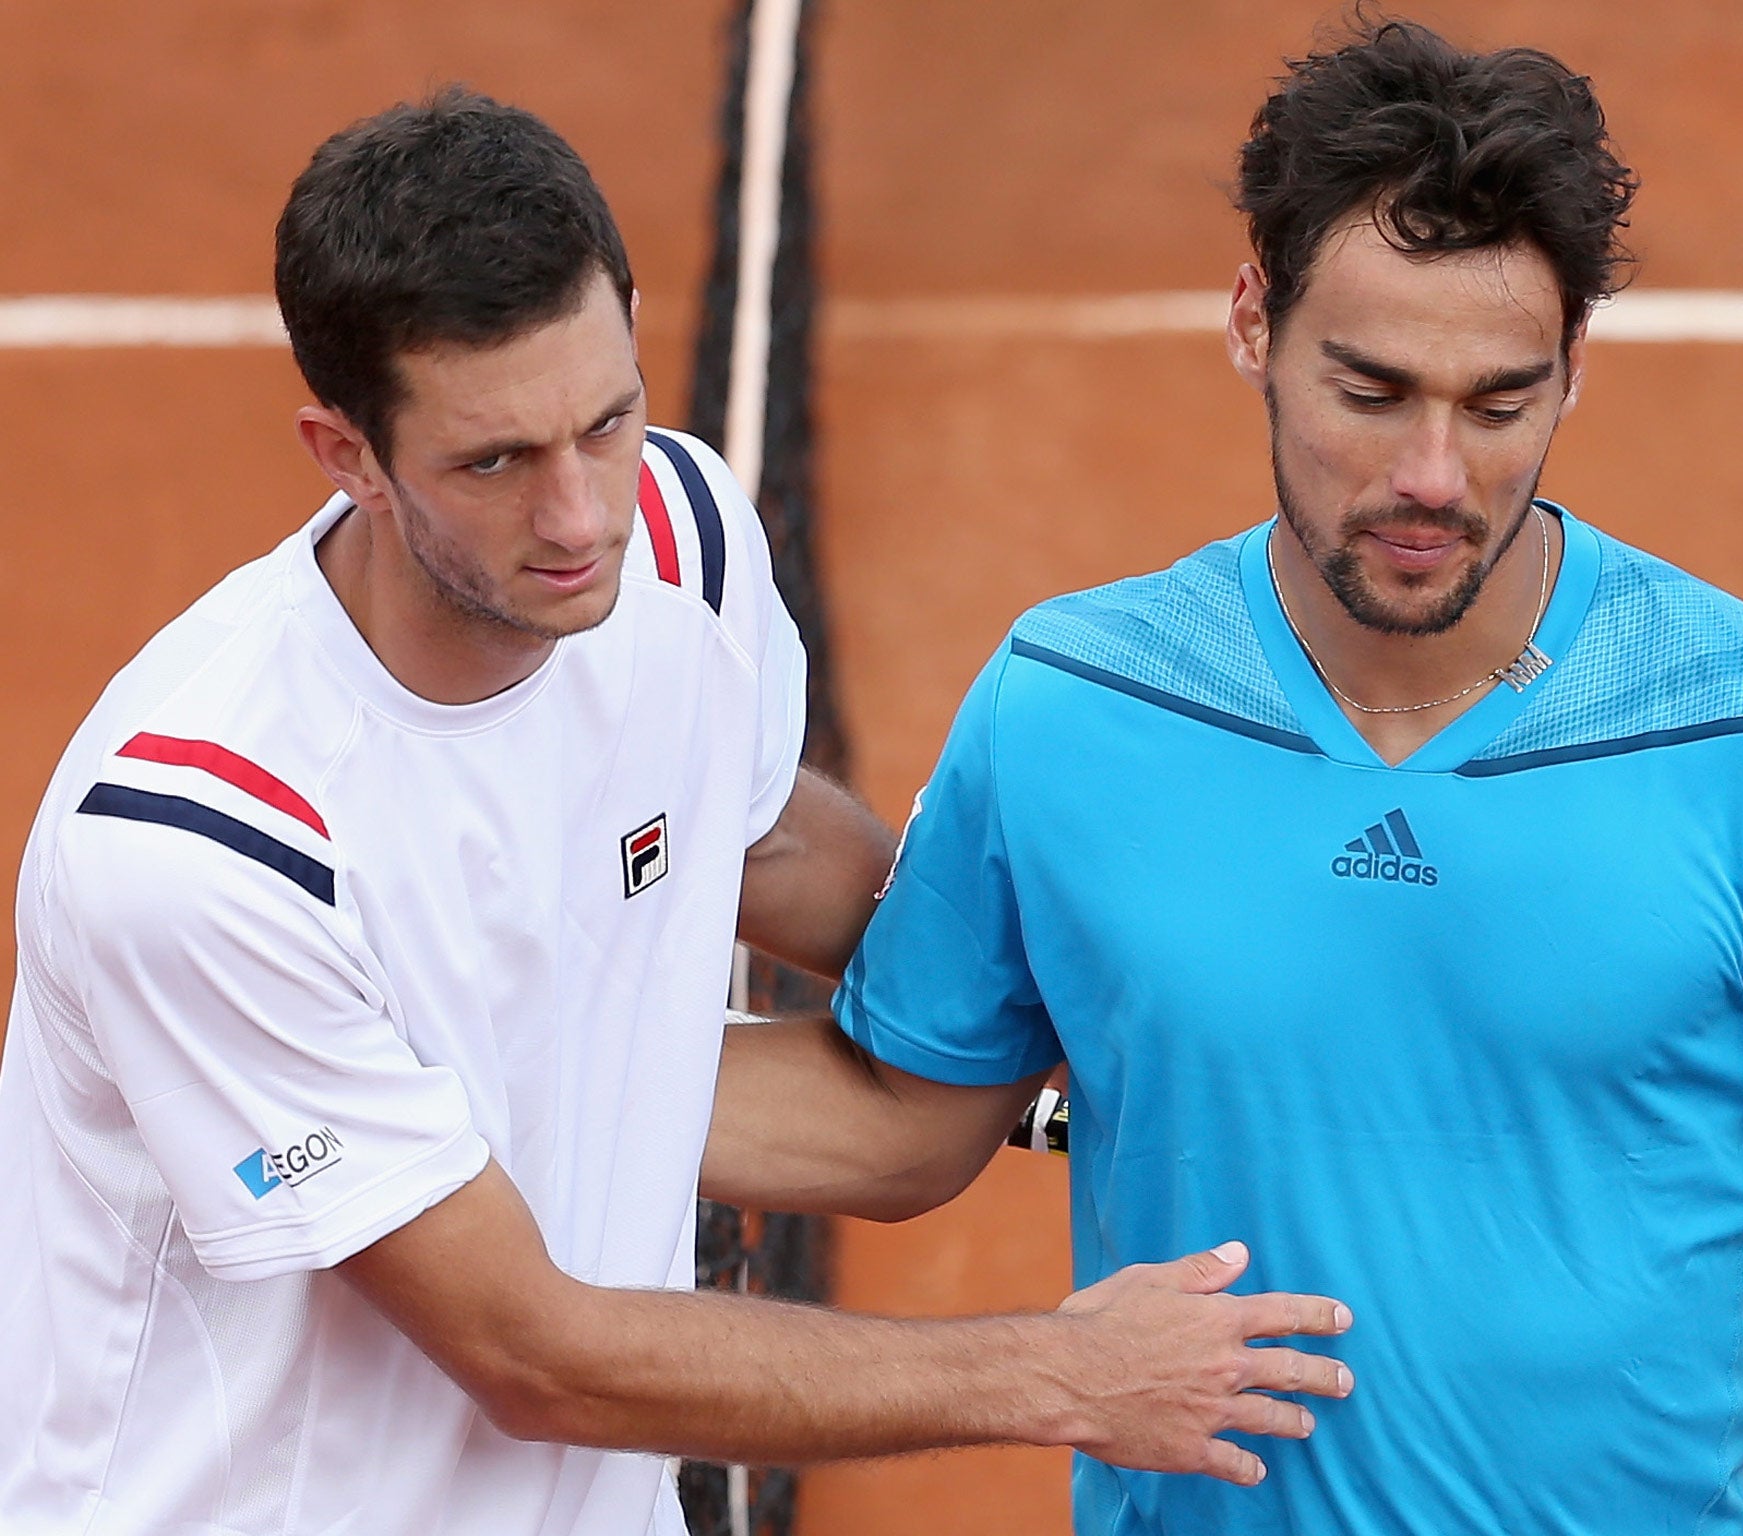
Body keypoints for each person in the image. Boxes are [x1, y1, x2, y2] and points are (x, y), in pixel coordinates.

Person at [701, 19, 1743, 1536]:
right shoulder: (1071, 707)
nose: (1432, 479)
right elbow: (901, 1122)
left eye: (1499, 401)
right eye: (1374, 390)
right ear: (1255, 322)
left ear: (1574, 368)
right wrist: (494, 1072)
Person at [0, 89, 1355, 1536]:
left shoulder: (680, 542)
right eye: (495, 462)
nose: (581, 518)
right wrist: (1065, 1375)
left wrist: (1101, 1006)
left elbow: (761, 838)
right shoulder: (204, 852)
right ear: (346, 457)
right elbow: (535, 1357)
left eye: (607, 420)